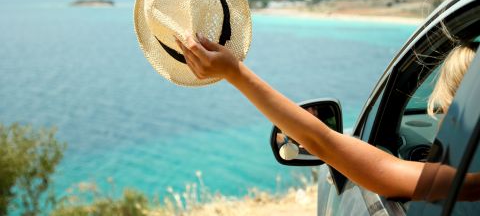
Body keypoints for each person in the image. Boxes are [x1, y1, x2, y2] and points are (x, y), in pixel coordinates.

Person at [176, 35, 478, 199]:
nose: (437, 117)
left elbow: (322, 141)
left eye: (444, 109)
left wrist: (234, 72)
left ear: (466, 113)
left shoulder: (467, 185)